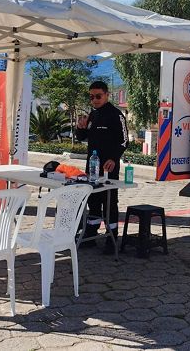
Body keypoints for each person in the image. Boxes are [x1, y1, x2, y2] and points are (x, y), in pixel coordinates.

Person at [76, 81, 128, 254]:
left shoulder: (116, 115)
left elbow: (124, 141)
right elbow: (83, 137)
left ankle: (111, 237)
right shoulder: (92, 115)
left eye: (98, 96)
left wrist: (114, 158)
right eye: (91, 97)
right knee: (93, 200)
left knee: (109, 201)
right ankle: (91, 232)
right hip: (92, 166)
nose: (95, 100)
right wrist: (80, 129)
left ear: (106, 95)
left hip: (108, 167)